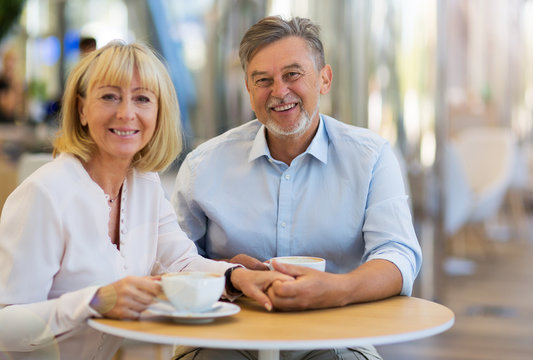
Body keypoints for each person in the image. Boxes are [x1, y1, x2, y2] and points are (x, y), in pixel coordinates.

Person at [0, 40, 292, 360]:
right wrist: (95, 301)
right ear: (82, 109)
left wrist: (236, 277)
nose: (126, 113)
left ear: (158, 112)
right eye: (109, 96)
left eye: (142, 99)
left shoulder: (144, 183)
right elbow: (6, 326)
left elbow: (180, 261)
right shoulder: (45, 194)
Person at [171, 16, 422, 360]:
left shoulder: (371, 158)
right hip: (224, 334)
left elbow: (398, 255)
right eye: (263, 80)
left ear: (324, 79)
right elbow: (169, 261)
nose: (279, 91)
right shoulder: (204, 164)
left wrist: (336, 289)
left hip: (334, 334)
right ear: (248, 88)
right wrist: (230, 273)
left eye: (292, 74)